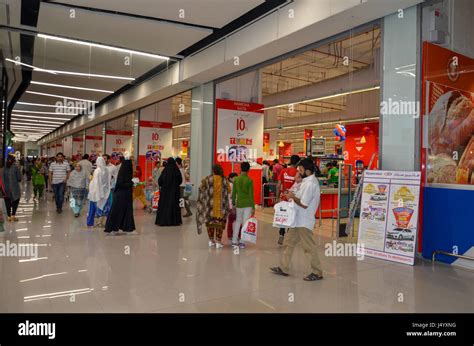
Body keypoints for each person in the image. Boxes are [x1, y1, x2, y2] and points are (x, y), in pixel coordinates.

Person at [270, 158, 323, 282]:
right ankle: (283, 267)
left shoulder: (311, 183)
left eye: (301, 169)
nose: (299, 171)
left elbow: (304, 204)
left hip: (304, 221)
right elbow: (298, 196)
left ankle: (317, 272)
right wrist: (291, 195)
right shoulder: (305, 181)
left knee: (309, 248)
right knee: (288, 243)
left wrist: (293, 197)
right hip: (297, 220)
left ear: (308, 171)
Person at [196, 165, 231, 248]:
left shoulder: (207, 179)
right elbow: (229, 191)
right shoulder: (225, 180)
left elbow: (201, 188)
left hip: (209, 206)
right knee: (219, 223)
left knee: (210, 223)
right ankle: (218, 242)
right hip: (221, 207)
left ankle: (211, 241)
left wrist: (204, 198)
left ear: (213, 170)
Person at [105, 154, 136, 234]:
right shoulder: (123, 172)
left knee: (126, 211)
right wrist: (132, 182)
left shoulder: (124, 171)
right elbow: (121, 184)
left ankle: (127, 228)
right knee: (119, 211)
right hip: (121, 195)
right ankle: (113, 228)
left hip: (125, 195)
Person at [277, 154, 300, 245]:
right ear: (298, 163)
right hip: (293, 198)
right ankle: (289, 237)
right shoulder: (298, 173)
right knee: (292, 217)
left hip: (283, 197)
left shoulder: (283, 171)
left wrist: (277, 196)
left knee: (283, 216)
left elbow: (279, 185)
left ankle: (281, 234)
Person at [232, 162, 254, 249]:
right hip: (248, 204)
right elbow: (251, 195)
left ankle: (234, 240)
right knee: (245, 223)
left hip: (239, 204)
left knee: (238, 221)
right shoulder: (249, 180)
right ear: (249, 170)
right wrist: (253, 207)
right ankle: (242, 241)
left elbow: (234, 193)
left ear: (240, 169)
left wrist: (233, 203)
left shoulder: (236, 180)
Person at [155, 157, 182, 226]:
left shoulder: (165, 171)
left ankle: (164, 221)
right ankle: (174, 221)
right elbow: (180, 180)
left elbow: (160, 181)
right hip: (174, 192)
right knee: (174, 206)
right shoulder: (176, 170)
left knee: (165, 206)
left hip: (165, 192)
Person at [87, 156, 111, 227]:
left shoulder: (97, 171)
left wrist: (97, 193)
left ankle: (90, 222)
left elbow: (96, 183)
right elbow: (108, 181)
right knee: (104, 207)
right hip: (105, 192)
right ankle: (102, 222)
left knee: (92, 208)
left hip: (95, 193)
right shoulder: (107, 170)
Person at [3, 155, 22, 222]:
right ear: (13, 160)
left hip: (6, 188)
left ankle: (8, 217)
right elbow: (19, 179)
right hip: (14, 188)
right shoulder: (15, 168)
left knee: (7, 201)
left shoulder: (4, 168)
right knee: (16, 200)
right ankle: (13, 215)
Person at [226, 172, 239, 243]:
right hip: (232, 205)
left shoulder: (232, 184)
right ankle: (231, 235)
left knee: (232, 221)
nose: (236, 179)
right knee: (233, 220)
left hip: (233, 205)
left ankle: (230, 235)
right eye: (235, 178)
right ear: (231, 178)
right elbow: (230, 197)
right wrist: (232, 206)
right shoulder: (231, 185)